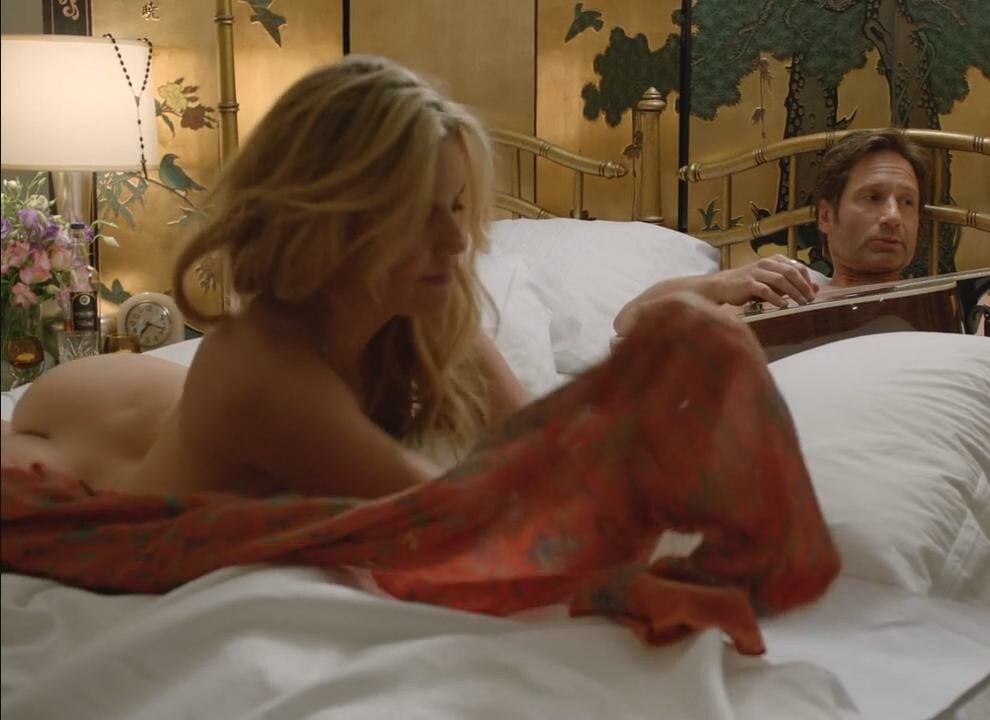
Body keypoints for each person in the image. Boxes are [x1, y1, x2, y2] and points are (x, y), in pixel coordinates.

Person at [0, 56, 839, 652]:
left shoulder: (427, 311)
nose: (455, 241)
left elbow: (536, 449)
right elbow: (456, 523)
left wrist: (675, 330)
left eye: (459, 207)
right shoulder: (263, 370)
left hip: (140, 413)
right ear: (331, 218)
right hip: (86, 451)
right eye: (419, 214)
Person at [616, 130, 990, 720]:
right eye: (872, 198)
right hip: (797, 444)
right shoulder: (776, 295)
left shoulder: (966, 308)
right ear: (826, 216)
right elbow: (632, 323)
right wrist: (719, 283)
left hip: (933, 446)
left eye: (907, 203)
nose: (892, 217)